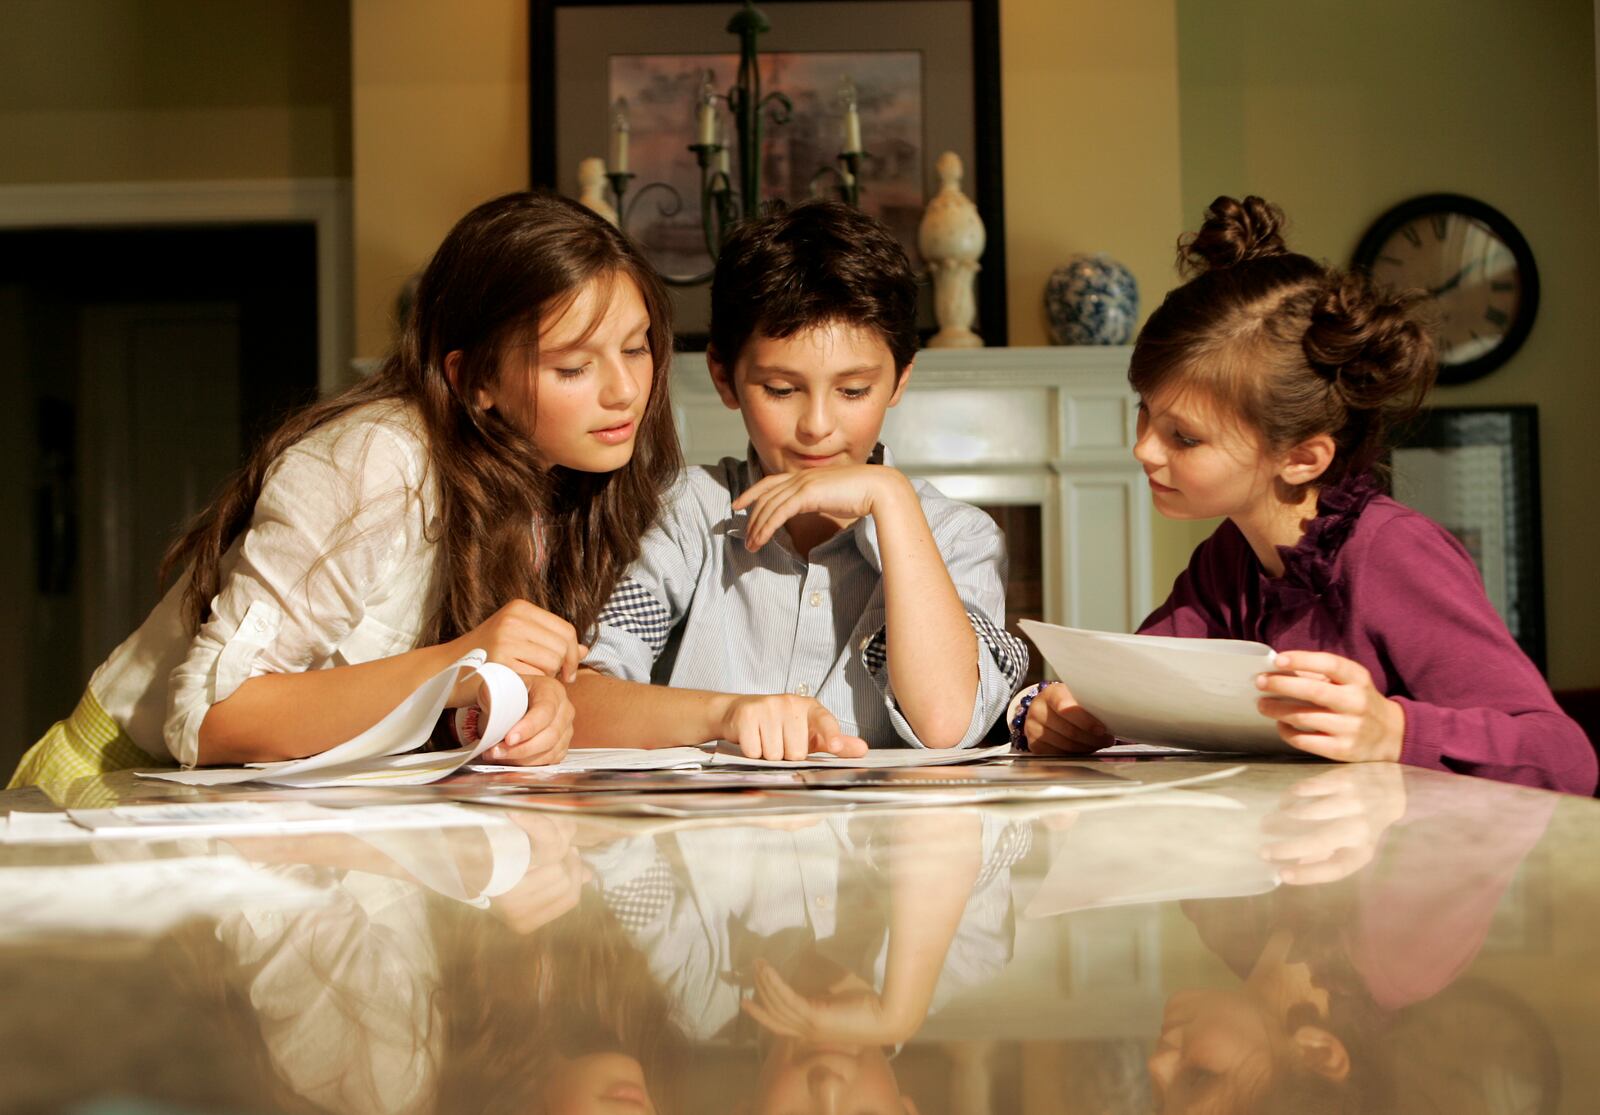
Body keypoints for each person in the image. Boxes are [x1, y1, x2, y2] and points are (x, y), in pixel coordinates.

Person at [9, 191, 682, 792]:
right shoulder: (378, 459)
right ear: (474, 378)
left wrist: (530, 704)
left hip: (283, 819)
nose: (624, 389)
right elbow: (211, 716)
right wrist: (458, 664)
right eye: (573, 365)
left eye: (636, 347)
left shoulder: (564, 484)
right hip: (111, 796)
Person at [1016, 195, 1596, 796]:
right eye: (1146, 413)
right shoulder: (1228, 561)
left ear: (1301, 458)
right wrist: (1070, 715)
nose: (1144, 450)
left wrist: (1394, 730)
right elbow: (1137, 692)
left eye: (1184, 437)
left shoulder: (1393, 555)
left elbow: (1565, 759)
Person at [569, 200, 1027, 758]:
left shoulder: (958, 537)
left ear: (900, 379)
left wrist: (890, 496)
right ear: (725, 378)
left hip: (882, 844)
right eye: (781, 390)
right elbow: (578, 700)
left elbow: (946, 723)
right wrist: (725, 714)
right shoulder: (687, 512)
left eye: (853, 391)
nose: (817, 427)